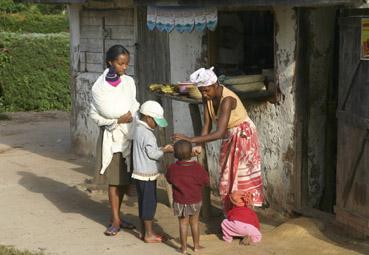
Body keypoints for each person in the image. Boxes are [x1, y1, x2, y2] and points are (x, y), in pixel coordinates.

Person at [173, 67, 264, 213]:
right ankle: (233, 216)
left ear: (215, 84)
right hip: (230, 135)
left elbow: (220, 132)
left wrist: (190, 139)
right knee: (227, 176)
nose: (204, 93)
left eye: (206, 90)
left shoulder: (227, 100)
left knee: (241, 178)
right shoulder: (206, 97)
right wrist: (199, 145)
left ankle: (247, 219)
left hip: (243, 136)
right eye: (201, 90)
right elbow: (207, 125)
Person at [90, 45, 139, 236]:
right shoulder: (99, 87)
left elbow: (133, 103)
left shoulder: (128, 82)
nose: (124, 67)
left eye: (126, 63)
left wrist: (132, 115)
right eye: (120, 63)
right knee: (113, 181)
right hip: (112, 136)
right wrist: (117, 120)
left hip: (128, 133)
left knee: (125, 179)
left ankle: (118, 216)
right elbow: (95, 113)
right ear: (110, 62)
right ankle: (116, 220)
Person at [132, 100, 173, 243]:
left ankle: (144, 231)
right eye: (156, 121)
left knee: (143, 202)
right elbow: (153, 154)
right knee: (150, 203)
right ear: (148, 118)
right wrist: (165, 149)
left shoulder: (137, 129)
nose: (156, 125)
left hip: (138, 173)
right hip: (147, 175)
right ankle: (149, 234)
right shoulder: (148, 134)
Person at [166, 140, 209, 254]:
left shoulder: (173, 168)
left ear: (175, 154)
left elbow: (169, 179)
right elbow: (205, 180)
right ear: (191, 153)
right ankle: (196, 246)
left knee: (182, 224)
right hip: (195, 200)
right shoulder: (197, 167)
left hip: (180, 201)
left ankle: (183, 248)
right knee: (194, 223)